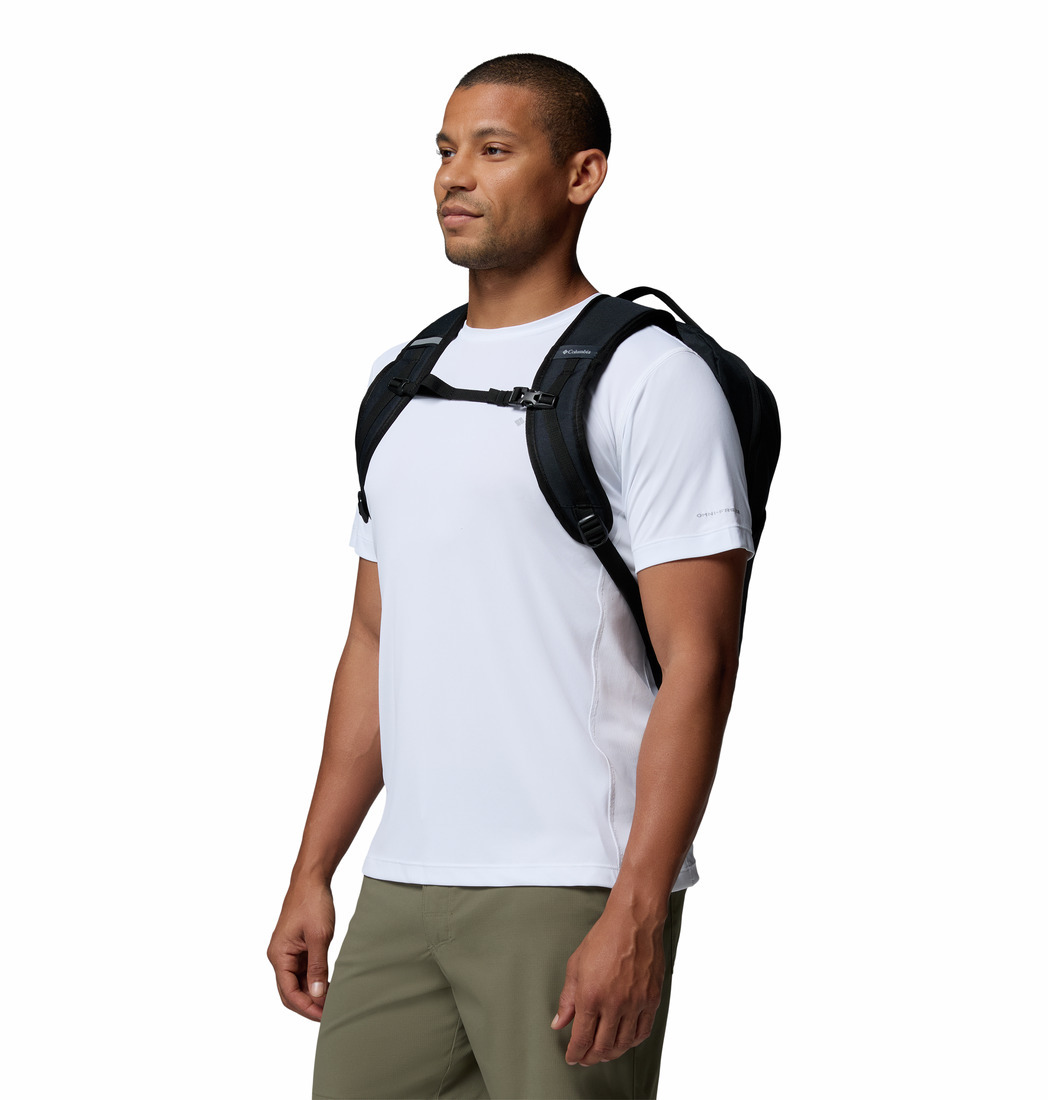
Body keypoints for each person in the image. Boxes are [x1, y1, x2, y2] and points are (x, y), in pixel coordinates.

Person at [268, 53, 755, 1100]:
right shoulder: (402, 381)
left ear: (582, 175)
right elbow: (374, 639)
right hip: (404, 880)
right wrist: (314, 865)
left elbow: (701, 664)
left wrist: (636, 908)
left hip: (570, 881)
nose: (455, 175)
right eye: (446, 150)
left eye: (493, 149)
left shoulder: (652, 381)